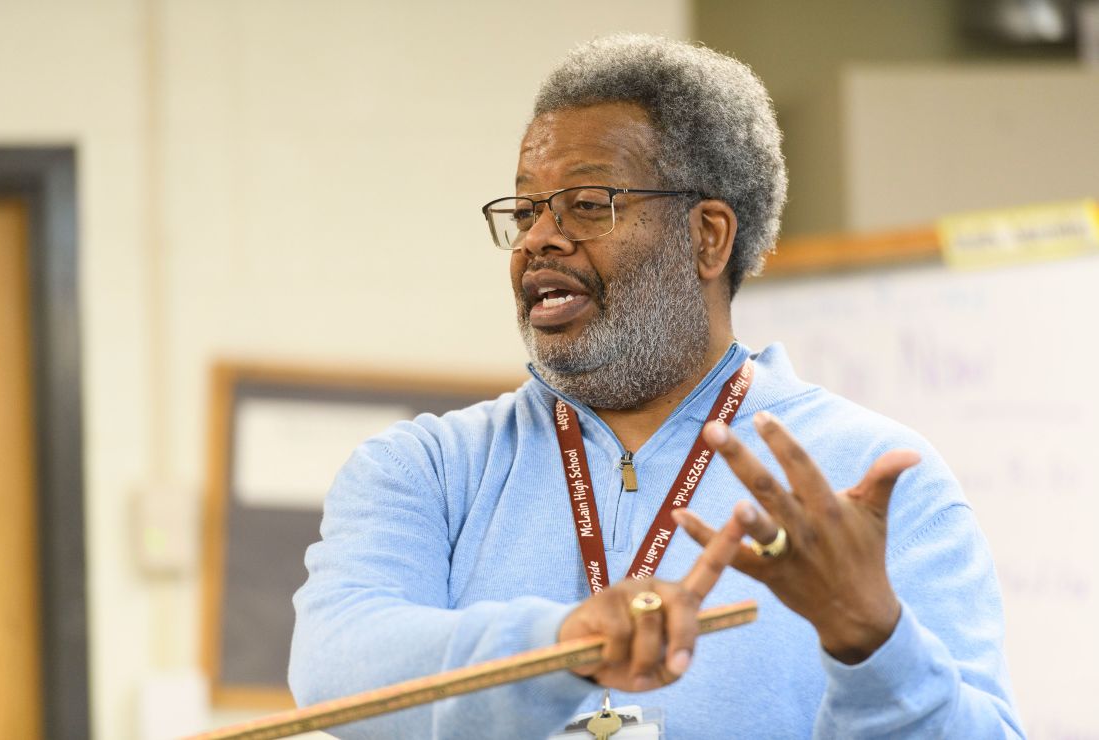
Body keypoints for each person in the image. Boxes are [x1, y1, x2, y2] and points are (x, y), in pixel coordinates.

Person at [289, 34, 1022, 738]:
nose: (539, 238)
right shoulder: (428, 468)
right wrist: (562, 643)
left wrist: (874, 644)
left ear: (707, 237)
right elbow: (338, 663)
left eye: (587, 204)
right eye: (524, 211)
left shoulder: (870, 483)